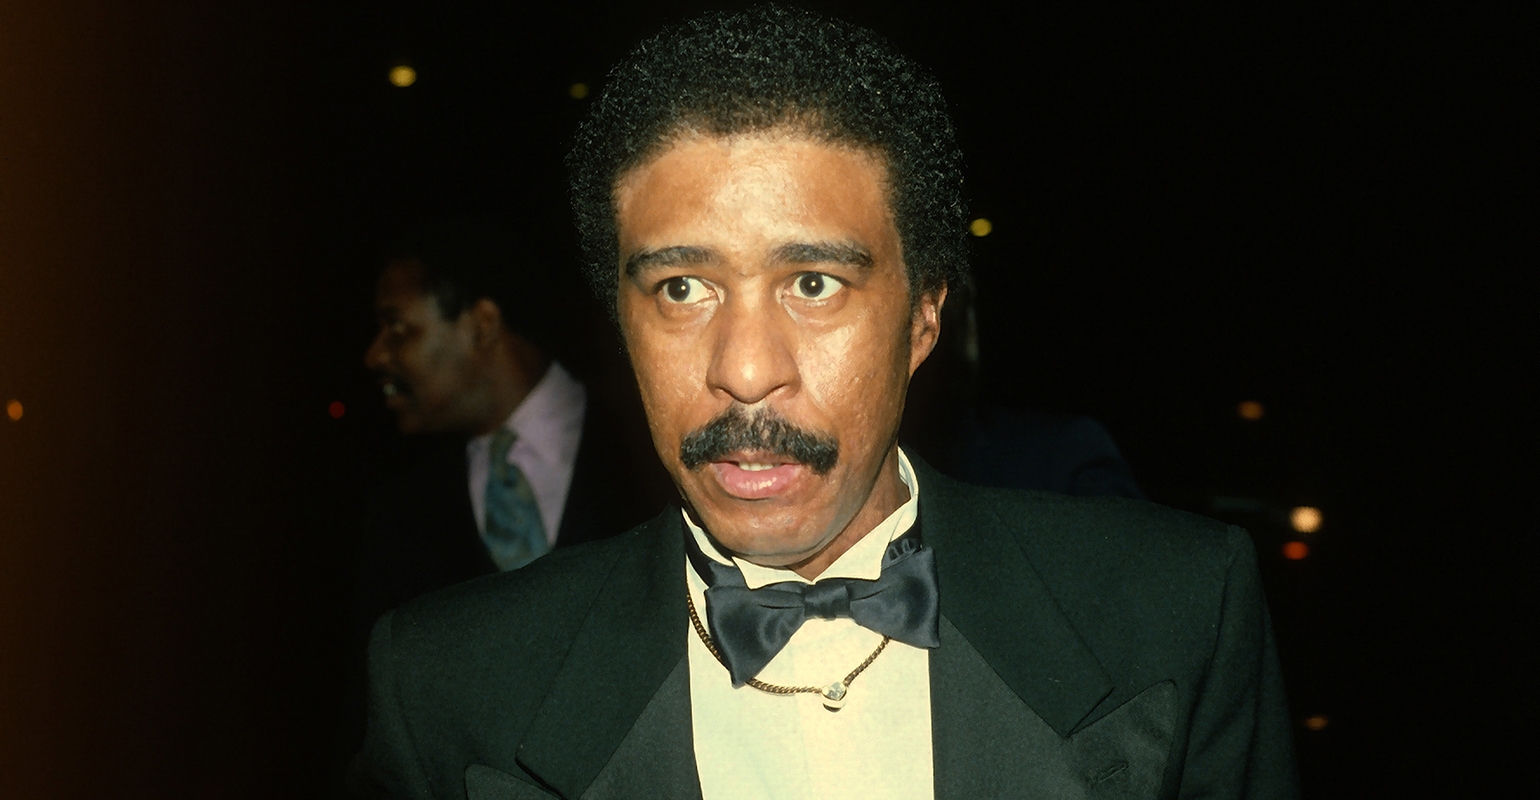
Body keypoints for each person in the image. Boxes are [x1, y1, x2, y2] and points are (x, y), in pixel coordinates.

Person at [349, 7, 1299, 799]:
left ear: (923, 319)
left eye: (813, 284)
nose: (745, 370)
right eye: (682, 288)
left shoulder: (1178, 613)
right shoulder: (445, 687)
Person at [356, 216, 670, 627]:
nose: (375, 356)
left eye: (397, 328)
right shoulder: (398, 515)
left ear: (482, 324)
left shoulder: (653, 446)